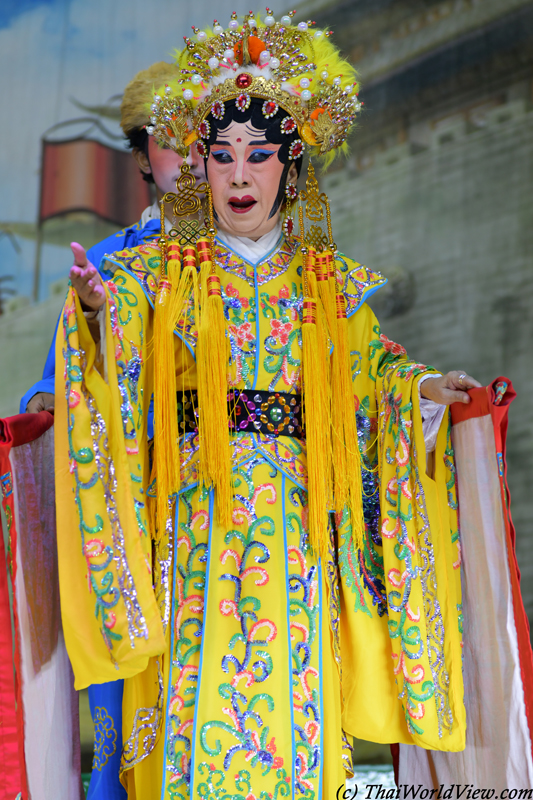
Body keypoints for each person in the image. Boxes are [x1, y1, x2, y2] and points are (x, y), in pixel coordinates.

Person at [54, 12, 480, 798]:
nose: (238, 175)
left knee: (294, 711)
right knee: (196, 717)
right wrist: (93, 314)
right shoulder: (156, 274)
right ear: (199, 168)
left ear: (290, 167)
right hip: (194, 527)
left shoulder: (327, 282)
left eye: (258, 155)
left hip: (296, 529)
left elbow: (371, 370)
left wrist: (416, 390)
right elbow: (113, 363)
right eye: (220, 157)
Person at [22, 60, 203, 415]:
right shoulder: (107, 258)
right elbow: (63, 371)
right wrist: (45, 395)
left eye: (205, 141)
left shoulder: (254, 249)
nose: (192, 160)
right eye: (172, 143)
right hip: (142, 453)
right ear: (142, 159)